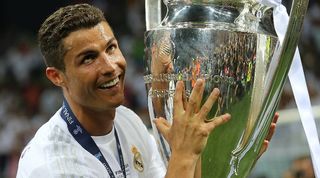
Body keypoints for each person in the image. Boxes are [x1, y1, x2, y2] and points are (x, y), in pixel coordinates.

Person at [16, 3, 276, 178]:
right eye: (88, 58)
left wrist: (228, 161)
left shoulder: (127, 122)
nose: (110, 66)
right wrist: (183, 155)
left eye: (111, 48)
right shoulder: (52, 167)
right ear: (57, 77)